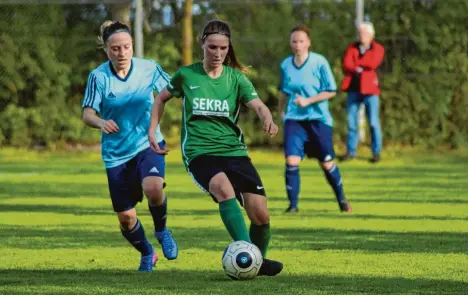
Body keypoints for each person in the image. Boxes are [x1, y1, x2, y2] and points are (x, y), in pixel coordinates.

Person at [148, 20, 283, 277]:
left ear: (228, 47)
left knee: (261, 215)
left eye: (223, 48)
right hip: (200, 152)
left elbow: (258, 105)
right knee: (224, 189)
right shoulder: (187, 75)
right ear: (202, 44)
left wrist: (267, 117)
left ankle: (256, 260)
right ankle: (251, 257)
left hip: (234, 152)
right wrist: (152, 130)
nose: (218, 54)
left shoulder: (236, 79)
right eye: (212, 47)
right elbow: (160, 98)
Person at [81, 21, 178, 272]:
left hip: (148, 142)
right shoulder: (99, 77)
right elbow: (88, 114)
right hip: (116, 154)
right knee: (126, 217)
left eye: (126, 47)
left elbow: (173, 89)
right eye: (115, 49)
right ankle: (147, 252)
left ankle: (162, 230)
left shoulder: (149, 68)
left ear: (132, 46)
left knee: (154, 188)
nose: (121, 53)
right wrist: (101, 122)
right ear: (107, 50)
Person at [278, 24, 352, 213]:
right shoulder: (286, 64)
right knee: (292, 161)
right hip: (295, 120)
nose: (297, 45)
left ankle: (342, 200)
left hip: (318, 120)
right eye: (294, 41)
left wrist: (309, 101)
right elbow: (283, 92)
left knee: (326, 163)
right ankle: (293, 206)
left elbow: (331, 91)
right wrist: (281, 112)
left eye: (301, 41)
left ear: (308, 43)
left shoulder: (319, 62)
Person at [340, 21, 385, 163]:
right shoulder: (352, 48)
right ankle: (350, 152)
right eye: (360, 33)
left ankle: (376, 153)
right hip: (353, 89)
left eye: (364, 33)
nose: (361, 36)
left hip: (370, 90)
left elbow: (373, 63)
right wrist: (359, 67)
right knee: (351, 122)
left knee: (373, 122)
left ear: (371, 35)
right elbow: (347, 63)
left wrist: (357, 65)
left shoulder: (377, 48)